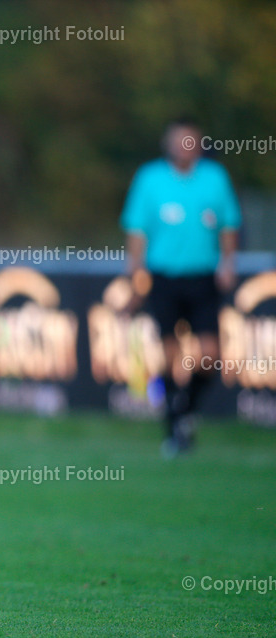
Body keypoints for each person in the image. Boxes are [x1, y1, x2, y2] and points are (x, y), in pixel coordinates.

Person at [121, 118, 240, 457]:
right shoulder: (150, 178)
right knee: (170, 353)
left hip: (203, 277)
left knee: (208, 356)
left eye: (191, 141)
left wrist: (228, 263)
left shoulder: (214, 178)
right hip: (163, 277)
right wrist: (135, 276)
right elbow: (136, 230)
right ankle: (174, 425)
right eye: (179, 140)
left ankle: (185, 409)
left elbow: (229, 224)